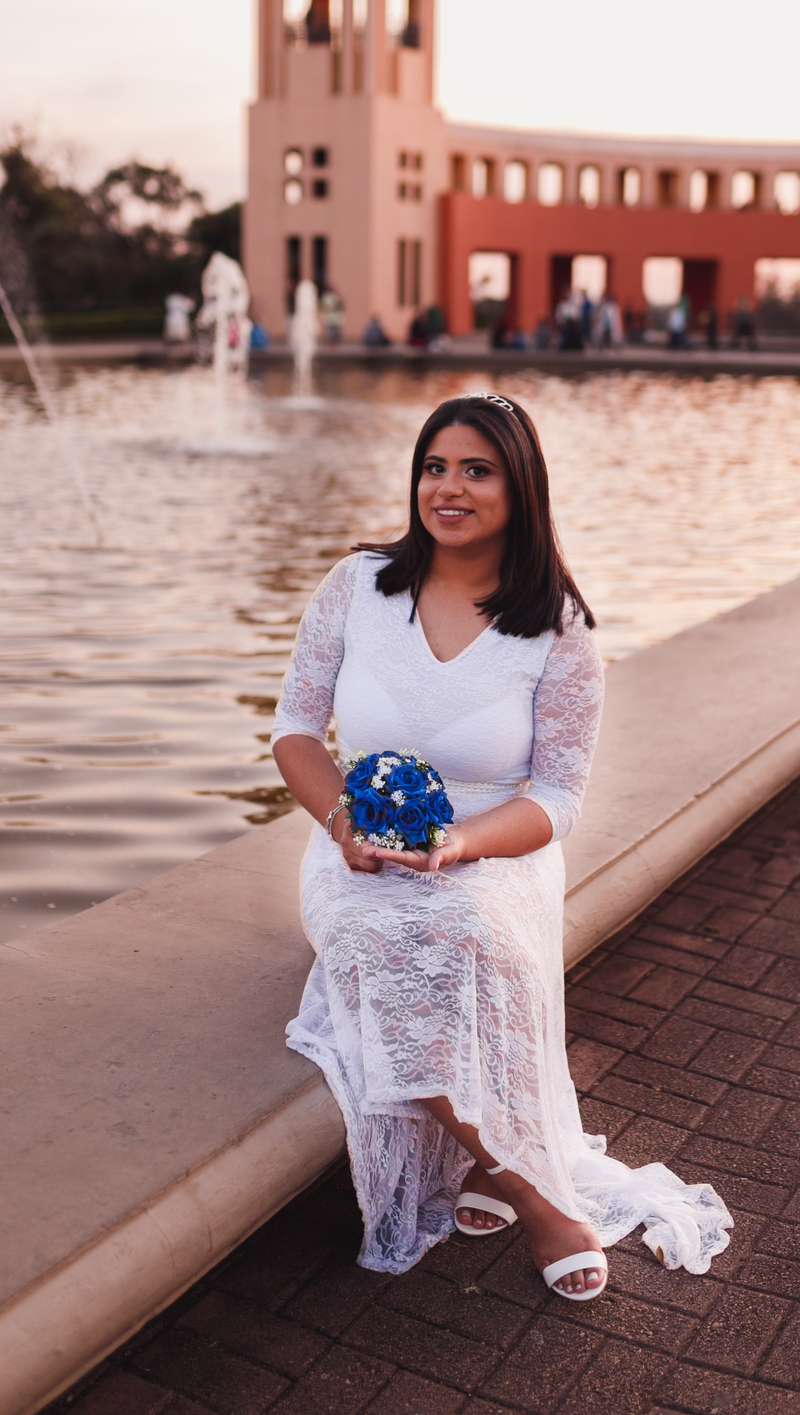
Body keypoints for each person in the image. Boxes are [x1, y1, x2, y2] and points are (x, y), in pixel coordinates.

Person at [271, 393, 733, 1301]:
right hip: (355, 840)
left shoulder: (557, 626)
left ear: (520, 488)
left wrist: (459, 845)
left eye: (476, 470)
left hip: (495, 843)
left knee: (470, 936)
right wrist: (341, 826)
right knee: (375, 942)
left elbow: (557, 797)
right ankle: (538, 1194)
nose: (448, 488)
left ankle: (493, 1169)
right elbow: (295, 730)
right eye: (434, 467)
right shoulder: (358, 587)